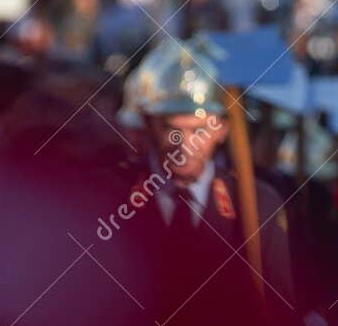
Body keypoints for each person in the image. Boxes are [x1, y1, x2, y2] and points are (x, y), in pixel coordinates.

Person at [124, 36, 295, 307]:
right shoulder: (114, 197)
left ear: (221, 130)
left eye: (198, 130)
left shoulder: (257, 205)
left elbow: (278, 316)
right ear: (149, 125)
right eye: (172, 129)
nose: (185, 145)